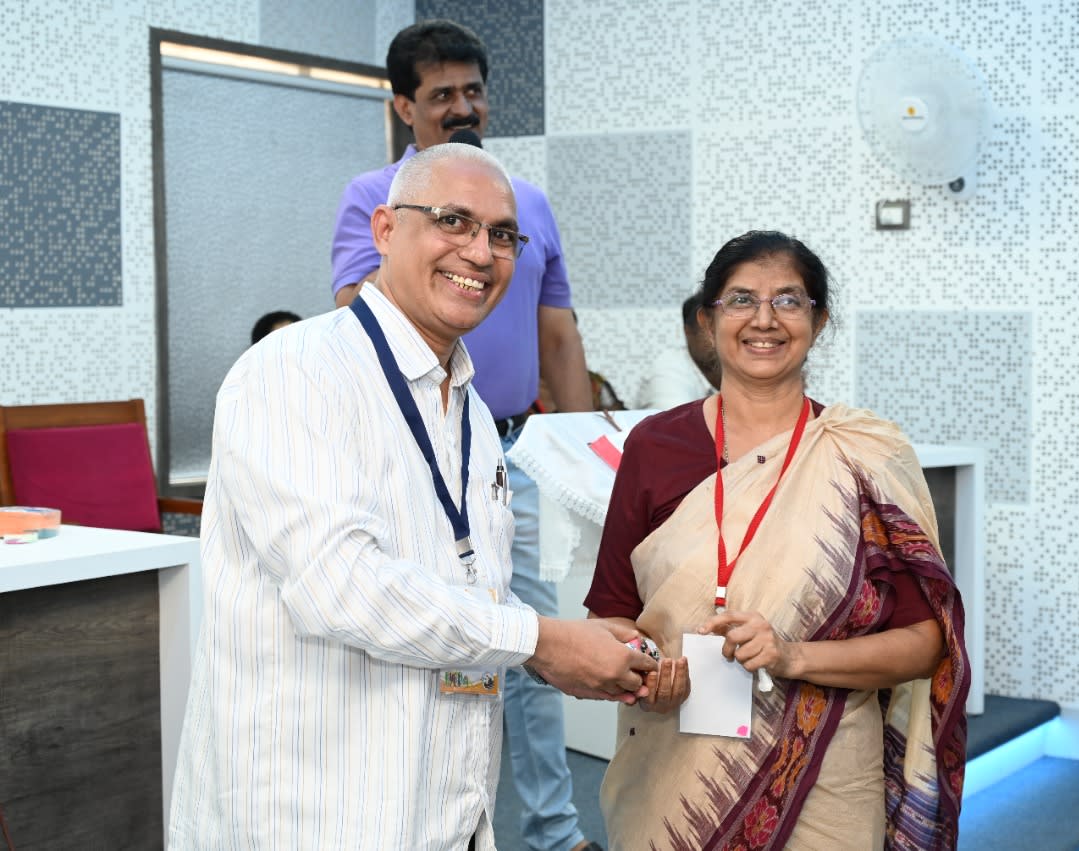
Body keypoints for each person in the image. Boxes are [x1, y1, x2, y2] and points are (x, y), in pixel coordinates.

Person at [169, 145, 656, 850]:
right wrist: (542, 641)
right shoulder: (296, 370)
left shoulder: (474, 413)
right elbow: (340, 586)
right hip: (311, 815)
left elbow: (467, 589)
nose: (480, 252)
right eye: (452, 220)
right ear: (385, 230)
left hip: (443, 808)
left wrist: (564, 647)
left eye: (502, 234)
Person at [585, 231, 970, 849]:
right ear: (708, 320)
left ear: (819, 321)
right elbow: (610, 615)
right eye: (741, 299)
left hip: (827, 775)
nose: (764, 320)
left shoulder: (862, 455)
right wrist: (644, 673)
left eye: (788, 300)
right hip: (672, 766)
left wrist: (792, 657)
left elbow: (927, 646)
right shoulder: (655, 446)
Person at [329, 20, 601, 851]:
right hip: (417, 449)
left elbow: (559, 336)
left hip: (517, 451)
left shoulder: (528, 203)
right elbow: (356, 325)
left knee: (533, 636)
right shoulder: (375, 198)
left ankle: (553, 830)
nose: (462, 108)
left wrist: (582, 451)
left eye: (473, 91)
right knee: (443, 639)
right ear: (403, 107)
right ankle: (432, 826)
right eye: (440, 94)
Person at [633, 293, 720, 409]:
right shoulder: (669, 370)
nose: (720, 337)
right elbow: (677, 419)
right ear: (688, 331)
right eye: (710, 329)